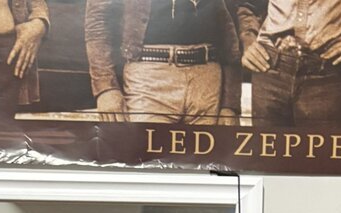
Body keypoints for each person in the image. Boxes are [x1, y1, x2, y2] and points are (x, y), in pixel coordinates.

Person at [233, 0, 341, 126]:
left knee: (326, 158)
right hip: (270, 70)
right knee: (265, 158)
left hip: (326, 75)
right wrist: (248, 39)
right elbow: (247, 4)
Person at [85, 0, 242, 124]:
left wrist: (230, 103)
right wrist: (106, 88)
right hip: (148, 82)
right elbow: (98, 23)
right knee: (144, 152)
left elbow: (232, 32)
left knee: (209, 153)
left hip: (208, 82)